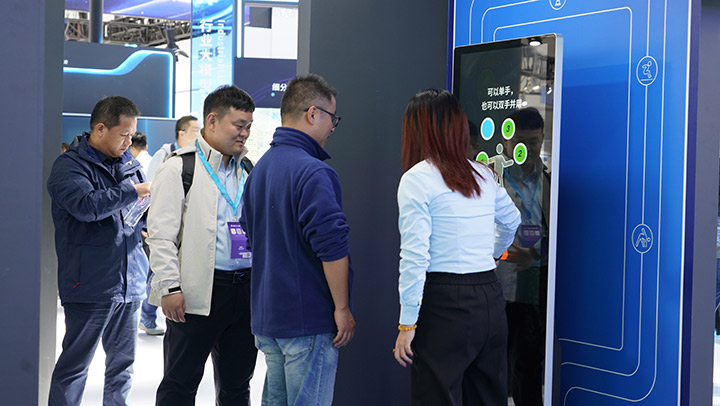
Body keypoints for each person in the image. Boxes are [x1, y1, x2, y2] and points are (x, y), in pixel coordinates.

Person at [393, 89, 521, 405]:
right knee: (488, 397)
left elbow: (415, 257)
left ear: (416, 130)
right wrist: (494, 253)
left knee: (435, 396)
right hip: (490, 298)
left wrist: (407, 323)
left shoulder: (416, 179)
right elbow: (512, 220)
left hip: (444, 303)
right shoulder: (482, 173)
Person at [240, 74, 355, 405]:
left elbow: (250, 234)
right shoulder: (314, 172)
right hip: (308, 319)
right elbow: (332, 247)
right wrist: (342, 308)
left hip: (268, 318)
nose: (333, 127)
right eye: (332, 118)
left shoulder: (260, 169)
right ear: (313, 113)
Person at [147, 85, 257, 405]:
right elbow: (160, 235)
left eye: (249, 126)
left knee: (238, 386)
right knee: (180, 385)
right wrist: (169, 287)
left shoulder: (247, 169)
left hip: (244, 291)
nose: (244, 133)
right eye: (238, 125)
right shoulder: (179, 168)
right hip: (196, 293)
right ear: (212, 121)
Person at [47, 96, 150, 406]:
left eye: (132, 135)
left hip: (130, 282)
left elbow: (139, 211)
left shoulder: (129, 163)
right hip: (90, 284)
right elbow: (86, 206)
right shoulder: (69, 166)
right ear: (100, 129)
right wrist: (132, 191)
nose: (129, 142)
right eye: (124, 134)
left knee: (123, 368)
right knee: (75, 367)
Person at [496, 107, 550, 406]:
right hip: (495, 286)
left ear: (542, 139)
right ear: (506, 141)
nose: (527, 149)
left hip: (533, 287)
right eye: (520, 142)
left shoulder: (550, 182)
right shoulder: (492, 180)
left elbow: (558, 233)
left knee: (528, 367)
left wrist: (536, 255)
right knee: (491, 367)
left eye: (533, 142)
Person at [145, 115, 201, 180]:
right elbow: (151, 181)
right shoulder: (163, 154)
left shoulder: (198, 155)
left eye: (200, 131)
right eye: (196, 130)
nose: (199, 134)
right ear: (182, 133)